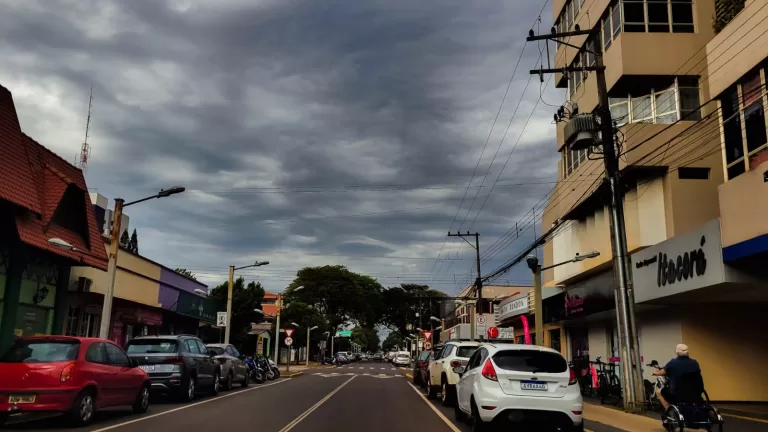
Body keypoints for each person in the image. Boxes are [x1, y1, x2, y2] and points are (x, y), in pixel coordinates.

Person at [652, 343, 702, 409]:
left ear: (677, 353)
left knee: (659, 392)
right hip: (695, 393)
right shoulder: (695, 363)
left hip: (677, 394)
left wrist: (656, 373)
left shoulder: (673, 363)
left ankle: (668, 410)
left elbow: (663, 372)